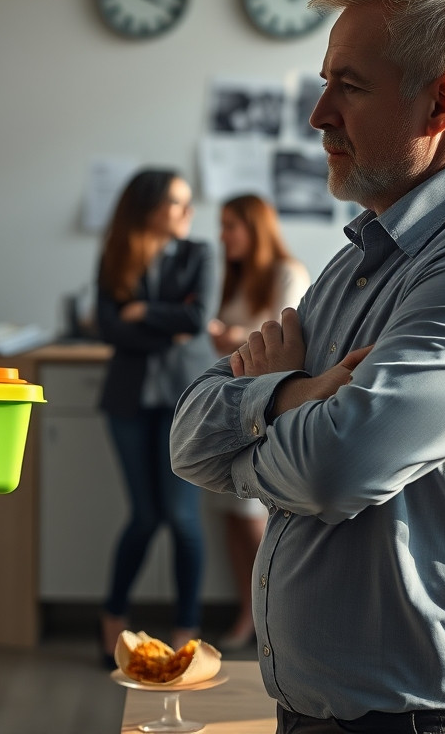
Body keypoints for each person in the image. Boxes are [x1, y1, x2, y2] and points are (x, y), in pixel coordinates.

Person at [170, 0, 445, 733]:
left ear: (442, 102)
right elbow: (188, 437)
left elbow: (337, 469)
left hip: (430, 723)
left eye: (350, 86)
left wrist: (260, 420)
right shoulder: (361, 258)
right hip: (315, 715)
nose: (318, 114)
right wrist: (300, 394)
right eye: (324, 81)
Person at [96, 168, 215, 663]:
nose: (189, 212)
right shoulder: (116, 256)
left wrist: (140, 313)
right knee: (144, 517)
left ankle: (186, 628)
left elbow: (197, 318)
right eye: (177, 202)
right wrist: (167, 324)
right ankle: (113, 619)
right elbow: (107, 328)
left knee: (181, 519)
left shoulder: (199, 254)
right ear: (148, 208)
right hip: (126, 401)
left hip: (182, 400)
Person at [205, 194, 310, 649]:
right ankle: (246, 611)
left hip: (265, 409)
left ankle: (267, 618)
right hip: (233, 405)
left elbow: (280, 345)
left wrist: (228, 339)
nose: (223, 235)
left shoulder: (287, 274)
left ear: (255, 228)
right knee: (230, 515)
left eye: (231, 226)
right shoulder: (234, 278)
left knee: (254, 516)